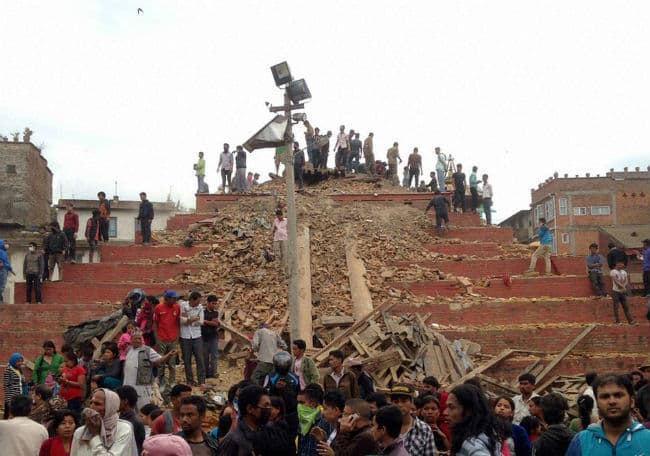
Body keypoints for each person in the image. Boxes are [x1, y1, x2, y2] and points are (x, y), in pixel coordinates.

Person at [567, 373, 650, 455]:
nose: (612, 401)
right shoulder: (581, 441)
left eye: (618, 395)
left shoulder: (647, 439)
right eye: (605, 397)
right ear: (597, 403)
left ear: (632, 401)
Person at [123, 329, 178, 409]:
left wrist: (169, 355)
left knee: (143, 407)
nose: (138, 340)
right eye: (136, 339)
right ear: (131, 340)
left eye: (140, 338)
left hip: (142, 385)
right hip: (128, 384)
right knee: (130, 407)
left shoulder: (147, 350)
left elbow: (159, 360)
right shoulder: (128, 350)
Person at [70, 388, 136, 455]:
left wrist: (94, 435)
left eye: (97, 404)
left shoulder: (123, 429)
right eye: (91, 403)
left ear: (110, 408)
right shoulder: (80, 432)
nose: (91, 407)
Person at [444, 383, 501, 455]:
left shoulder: (472, 446)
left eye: (451, 407)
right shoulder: (486, 437)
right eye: (446, 407)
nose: (445, 412)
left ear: (469, 411)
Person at [217, 384, 271, 455]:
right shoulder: (232, 441)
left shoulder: (263, 433)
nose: (269, 409)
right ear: (250, 409)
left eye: (269, 405)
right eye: (266, 405)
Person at [389, 383, 437, 455]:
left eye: (404, 401)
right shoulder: (385, 427)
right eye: (396, 402)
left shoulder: (424, 429)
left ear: (412, 402)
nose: (400, 405)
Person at [154, 289, 181, 390]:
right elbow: (155, 323)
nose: (175, 300)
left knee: (172, 363)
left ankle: (172, 382)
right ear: (167, 298)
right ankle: (162, 383)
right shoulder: (158, 308)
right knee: (161, 362)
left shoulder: (177, 307)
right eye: (173, 298)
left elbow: (177, 321)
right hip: (161, 339)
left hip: (173, 339)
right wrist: (157, 338)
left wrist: (178, 336)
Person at [296, 384, 332, 456]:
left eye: (302, 403)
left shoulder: (325, 421)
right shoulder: (303, 420)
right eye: (298, 402)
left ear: (313, 404)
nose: (298, 406)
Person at [180, 291, 205, 386]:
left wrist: (189, 319)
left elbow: (201, 321)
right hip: (185, 336)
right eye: (197, 301)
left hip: (197, 335)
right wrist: (192, 319)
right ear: (191, 300)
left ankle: (201, 381)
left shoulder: (200, 307)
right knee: (187, 360)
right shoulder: (183, 305)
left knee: (200, 359)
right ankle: (189, 381)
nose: (198, 303)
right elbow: (181, 320)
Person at [116, 385, 146, 454]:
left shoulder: (136, 422)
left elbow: (137, 448)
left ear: (125, 401)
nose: (114, 401)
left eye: (117, 399)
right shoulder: (118, 416)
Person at [610, 260, 636, 324]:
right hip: (615, 292)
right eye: (619, 263)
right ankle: (617, 321)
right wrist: (623, 287)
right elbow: (616, 281)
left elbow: (626, 280)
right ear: (616, 264)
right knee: (616, 307)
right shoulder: (613, 271)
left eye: (622, 264)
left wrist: (623, 286)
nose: (621, 265)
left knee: (626, 307)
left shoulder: (624, 272)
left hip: (622, 292)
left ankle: (630, 320)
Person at [3, 353, 28, 419]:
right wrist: (8, 400)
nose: (20, 363)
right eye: (18, 361)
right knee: (9, 417)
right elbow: (6, 386)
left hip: (19, 396)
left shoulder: (19, 369)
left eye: (21, 361)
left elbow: (20, 382)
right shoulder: (8, 370)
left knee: (17, 416)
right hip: (12, 397)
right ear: (13, 361)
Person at [202, 294, 220, 379]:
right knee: (205, 356)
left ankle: (214, 372)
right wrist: (210, 322)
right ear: (208, 303)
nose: (214, 305)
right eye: (213, 303)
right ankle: (206, 373)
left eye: (215, 303)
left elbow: (215, 323)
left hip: (213, 337)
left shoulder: (215, 313)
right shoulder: (202, 312)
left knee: (214, 356)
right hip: (204, 337)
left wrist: (205, 321)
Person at [272, 209, 288, 274]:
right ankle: (277, 268)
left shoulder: (286, 221)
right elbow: (272, 230)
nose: (279, 218)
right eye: (278, 216)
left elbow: (289, 229)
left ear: (282, 215)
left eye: (280, 216)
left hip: (284, 239)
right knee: (277, 253)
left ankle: (283, 268)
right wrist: (274, 229)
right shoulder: (275, 221)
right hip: (276, 239)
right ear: (277, 216)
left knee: (284, 253)